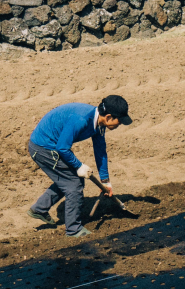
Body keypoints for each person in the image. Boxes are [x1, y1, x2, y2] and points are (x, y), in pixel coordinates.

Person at [27, 94, 132, 238]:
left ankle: (39, 209)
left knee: (68, 180)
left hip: (51, 146)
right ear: (108, 117)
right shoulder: (81, 119)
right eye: (119, 121)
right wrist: (79, 166)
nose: (119, 124)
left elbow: (100, 151)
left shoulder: (99, 124)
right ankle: (73, 230)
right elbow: (62, 148)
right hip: (43, 147)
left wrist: (105, 181)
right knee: (74, 184)